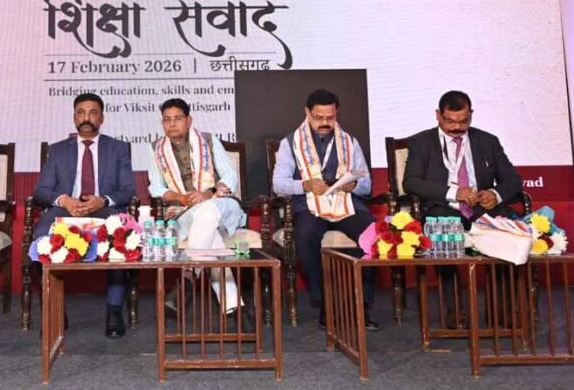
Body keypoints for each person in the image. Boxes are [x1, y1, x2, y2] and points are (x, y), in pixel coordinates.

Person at [403, 90, 523, 327]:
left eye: (463, 121)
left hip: (481, 208)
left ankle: (501, 311)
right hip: (444, 207)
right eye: (450, 121)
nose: (457, 127)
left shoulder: (488, 141)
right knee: (443, 231)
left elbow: (513, 180)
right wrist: (453, 193)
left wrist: (495, 194)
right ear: (438, 115)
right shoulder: (421, 143)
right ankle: (455, 311)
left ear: (471, 115)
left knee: (504, 233)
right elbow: (412, 182)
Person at [272, 88, 379, 330]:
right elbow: (278, 184)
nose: (325, 123)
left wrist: (354, 185)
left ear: (336, 113)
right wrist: (305, 184)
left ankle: (363, 305)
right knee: (305, 235)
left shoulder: (349, 142)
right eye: (319, 117)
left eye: (330, 118)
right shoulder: (290, 143)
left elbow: (367, 185)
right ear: (307, 113)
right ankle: (326, 303)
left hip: (345, 202)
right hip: (309, 204)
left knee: (373, 234)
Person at [33, 93, 135, 338]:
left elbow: (128, 190)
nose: (86, 118)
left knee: (120, 236)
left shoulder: (117, 149)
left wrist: (103, 200)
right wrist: (65, 200)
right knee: (40, 238)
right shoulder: (58, 150)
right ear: (74, 117)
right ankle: (54, 310)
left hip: (103, 208)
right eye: (80, 112)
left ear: (102, 118)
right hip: (65, 209)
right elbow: (41, 191)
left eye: (92, 113)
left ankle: (114, 310)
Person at [147, 98, 247, 317]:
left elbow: (230, 177)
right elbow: (155, 188)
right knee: (208, 230)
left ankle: (189, 276)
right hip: (185, 212)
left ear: (189, 120)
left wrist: (207, 194)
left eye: (177, 118)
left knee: (207, 210)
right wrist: (180, 198)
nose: (172, 123)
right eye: (166, 119)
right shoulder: (156, 149)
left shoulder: (209, 141)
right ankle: (234, 308)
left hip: (221, 205)